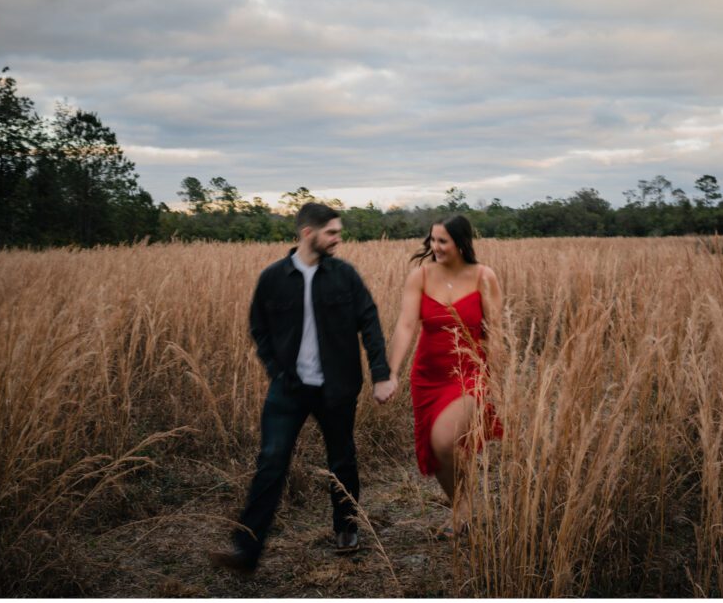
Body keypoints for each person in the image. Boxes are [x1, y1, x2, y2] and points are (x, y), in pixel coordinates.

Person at [210, 202, 398, 574]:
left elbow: (370, 323)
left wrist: (381, 374)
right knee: (271, 462)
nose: (338, 239)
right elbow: (258, 327)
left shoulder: (345, 275)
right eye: (332, 232)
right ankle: (247, 550)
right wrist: (277, 370)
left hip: (337, 386)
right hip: (289, 389)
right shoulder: (273, 278)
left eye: (338, 232)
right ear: (307, 233)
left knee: (342, 459)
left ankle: (346, 529)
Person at [386, 214, 503, 536]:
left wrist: (498, 379)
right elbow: (406, 325)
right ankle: (461, 506)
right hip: (428, 376)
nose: (435, 246)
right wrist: (391, 372)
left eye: (443, 241)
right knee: (438, 448)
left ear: (461, 243)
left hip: (469, 371)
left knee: (444, 439)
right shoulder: (420, 276)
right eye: (433, 239)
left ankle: (462, 507)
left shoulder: (483, 276)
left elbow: (494, 332)